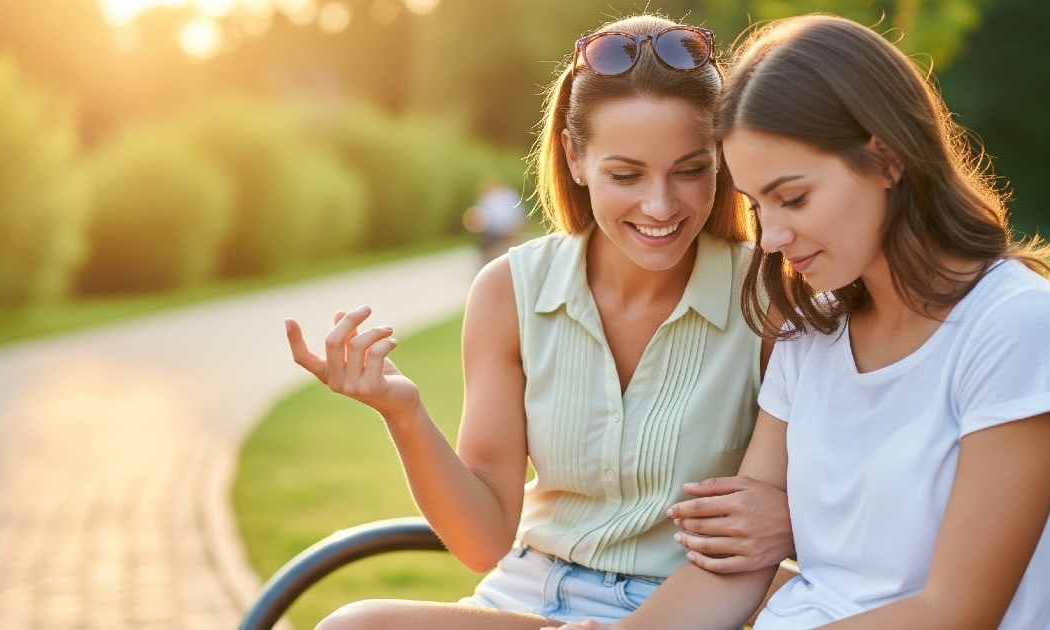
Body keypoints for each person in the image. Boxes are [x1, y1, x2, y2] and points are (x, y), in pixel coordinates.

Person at [554, 13, 1050, 630]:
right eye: (758, 205)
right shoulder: (814, 325)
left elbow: (956, 612)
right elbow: (730, 571)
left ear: (887, 158)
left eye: (793, 197)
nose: (771, 237)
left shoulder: (1016, 327)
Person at [283, 14, 792, 630]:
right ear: (576, 157)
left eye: (690, 170)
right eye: (625, 175)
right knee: (351, 627)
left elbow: (790, 524)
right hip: (528, 601)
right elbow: (483, 541)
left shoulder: (770, 298)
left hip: (683, 609)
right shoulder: (510, 291)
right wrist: (405, 412)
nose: (660, 206)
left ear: (724, 158)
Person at [463, 176, 528, 264]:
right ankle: (487, 259)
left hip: (509, 228)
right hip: (491, 231)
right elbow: (480, 214)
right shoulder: (486, 198)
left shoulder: (509, 196)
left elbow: (518, 215)